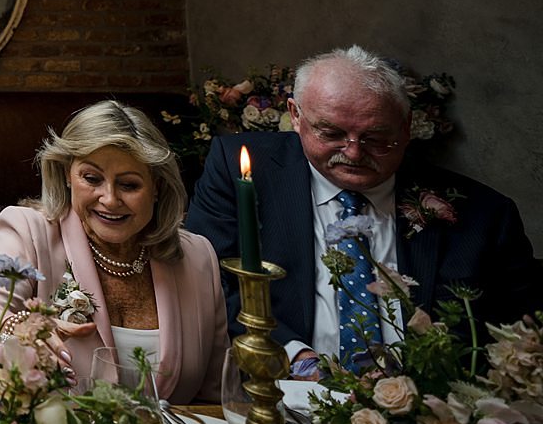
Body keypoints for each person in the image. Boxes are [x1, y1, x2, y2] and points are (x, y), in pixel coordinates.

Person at [187, 46, 541, 376]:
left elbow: (519, 333)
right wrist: (296, 360)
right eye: (331, 133)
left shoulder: (483, 213)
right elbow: (214, 285)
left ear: (406, 126)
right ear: (296, 116)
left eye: (376, 138)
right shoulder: (240, 170)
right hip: (284, 396)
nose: (354, 153)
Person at [0, 100, 228, 403]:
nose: (110, 199)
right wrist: (16, 327)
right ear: (66, 174)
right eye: (92, 178)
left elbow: (217, 396)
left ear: (157, 188)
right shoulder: (29, 232)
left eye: (129, 184)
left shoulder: (197, 257)